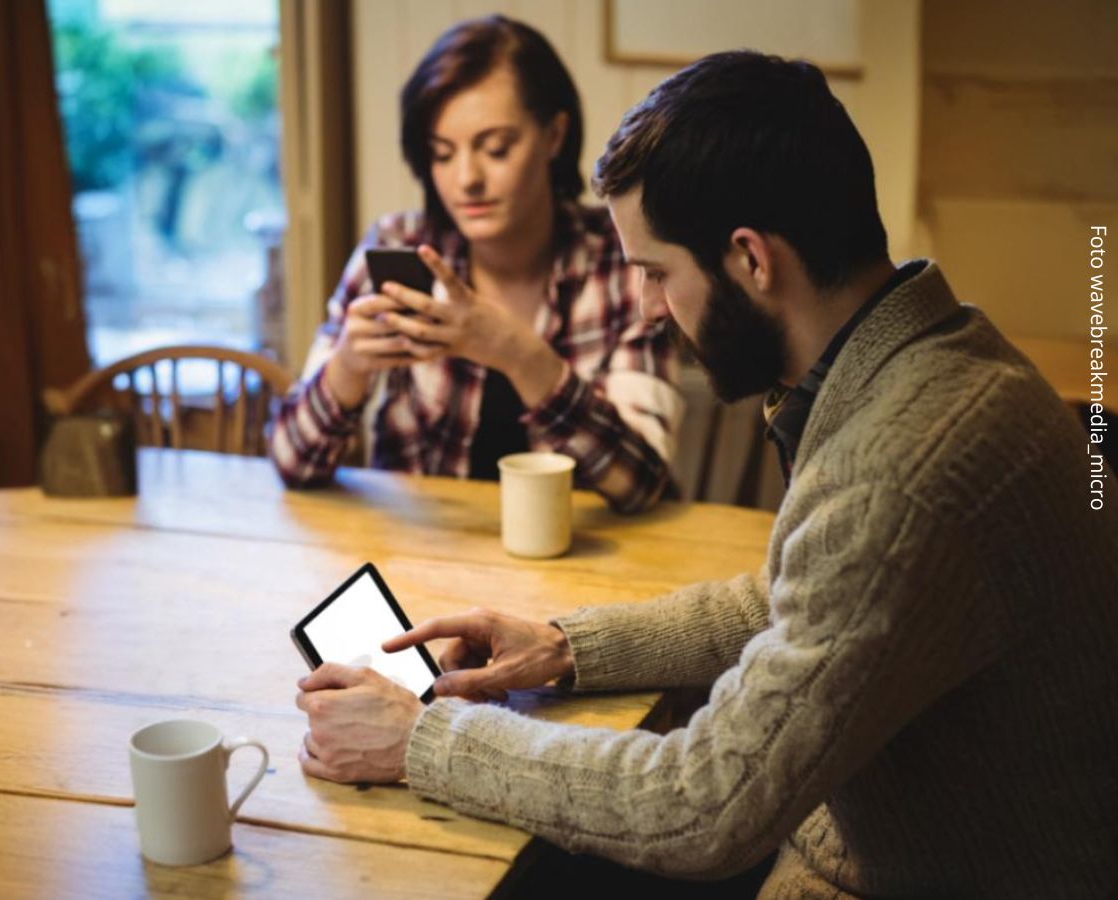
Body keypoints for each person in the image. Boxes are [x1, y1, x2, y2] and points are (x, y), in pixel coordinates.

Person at [293, 50, 1118, 897]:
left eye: (656, 274)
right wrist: (564, 646)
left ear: (751, 260)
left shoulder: (897, 474)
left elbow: (702, 805)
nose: (649, 307)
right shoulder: (922, 358)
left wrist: (422, 744)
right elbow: (794, 597)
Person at [269, 16, 681, 513]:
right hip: (425, 557)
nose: (467, 179)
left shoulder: (618, 260)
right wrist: (348, 369)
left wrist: (516, 353)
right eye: (442, 154)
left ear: (554, 134)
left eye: (495, 149)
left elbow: (640, 483)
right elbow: (290, 462)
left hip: (582, 565)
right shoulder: (401, 245)